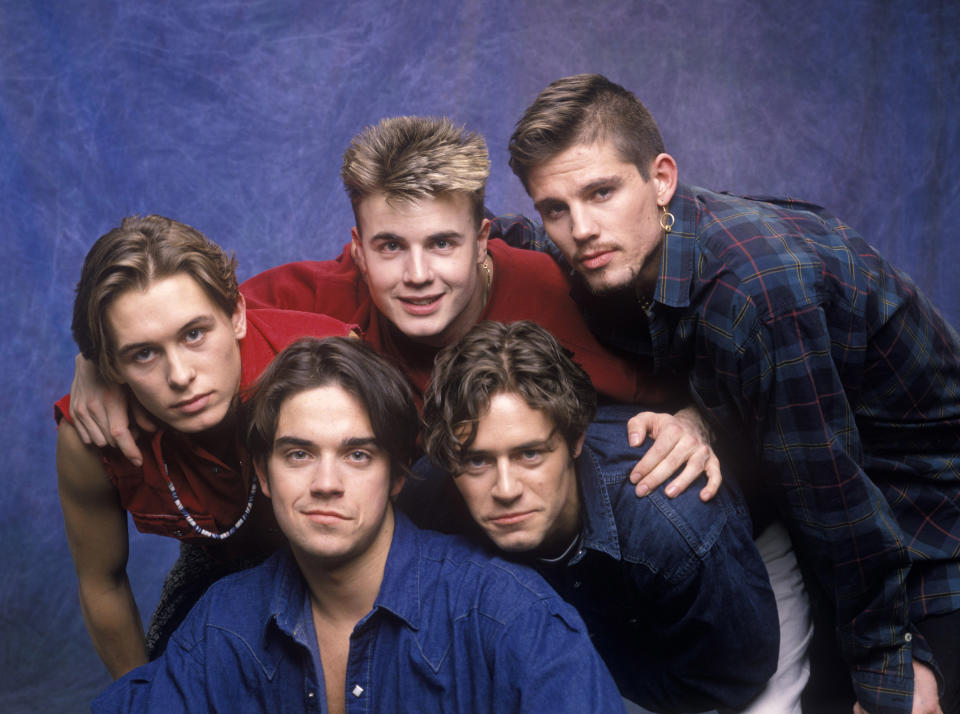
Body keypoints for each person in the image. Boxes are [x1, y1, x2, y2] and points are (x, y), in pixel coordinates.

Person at [506, 73, 960, 714]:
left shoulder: (755, 294)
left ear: (660, 178)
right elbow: (521, 244)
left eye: (601, 192)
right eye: (555, 208)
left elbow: (838, 506)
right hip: (813, 485)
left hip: (925, 513)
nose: (580, 228)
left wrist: (891, 672)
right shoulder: (626, 247)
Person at [92, 336, 626, 713]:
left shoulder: (511, 617)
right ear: (265, 474)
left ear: (397, 475)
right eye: (299, 454)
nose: (326, 482)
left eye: (357, 455)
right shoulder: (224, 623)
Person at [421, 320, 785, 713]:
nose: (505, 490)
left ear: (576, 440)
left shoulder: (672, 524)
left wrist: (575, 675)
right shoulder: (430, 501)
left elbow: (738, 674)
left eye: (530, 454)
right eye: (477, 461)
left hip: (738, 586)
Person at [55, 215, 354, 679]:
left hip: (343, 557)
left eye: (194, 334)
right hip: (217, 568)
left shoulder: (327, 362)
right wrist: (141, 699)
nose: (179, 376)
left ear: (236, 315)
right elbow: (102, 582)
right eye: (143, 353)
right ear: (110, 365)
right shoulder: (90, 437)